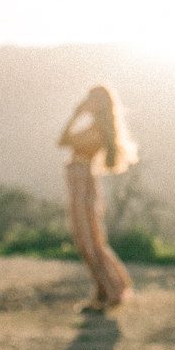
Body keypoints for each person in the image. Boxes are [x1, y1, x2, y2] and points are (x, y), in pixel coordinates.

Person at [57, 85, 138, 313]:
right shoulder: (97, 128)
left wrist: (75, 115)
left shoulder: (97, 131)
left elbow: (63, 141)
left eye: (90, 98)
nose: (86, 101)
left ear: (99, 103)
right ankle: (105, 291)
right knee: (90, 239)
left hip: (81, 184)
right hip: (81, 183)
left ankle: (110, 291)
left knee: (87, 240)